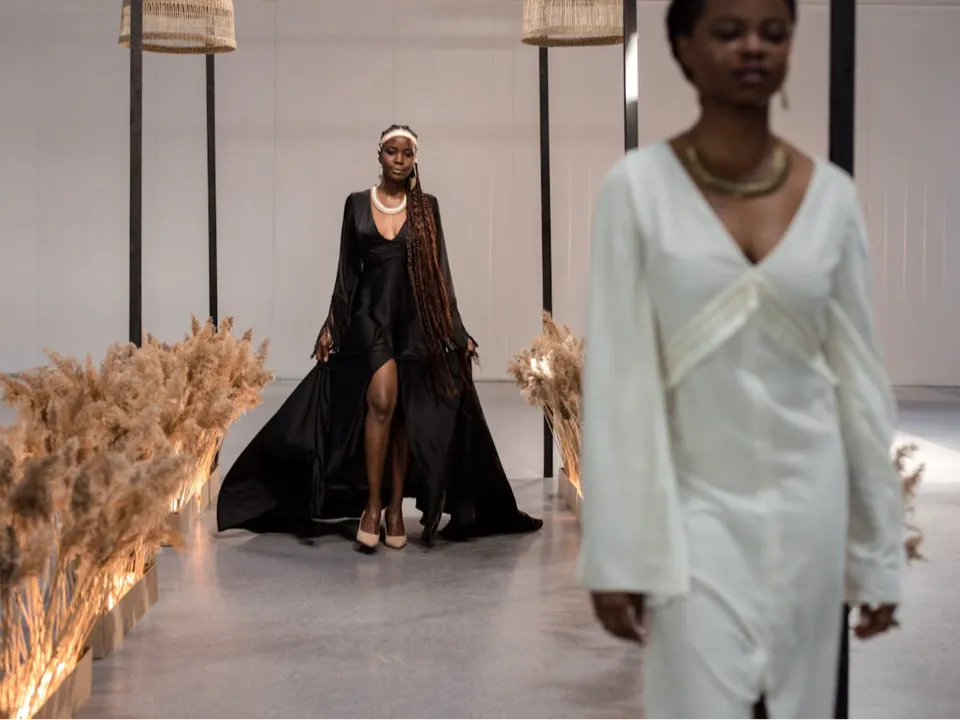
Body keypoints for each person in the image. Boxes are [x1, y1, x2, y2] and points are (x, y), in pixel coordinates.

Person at [577, 0, 903, 718]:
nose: (753, 47)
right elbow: (620, 382)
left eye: (773, 33)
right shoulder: (637, 190)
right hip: (694, 508)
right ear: (684, 48)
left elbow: (860, 381)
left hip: (811, 510)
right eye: (728, 32)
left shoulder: (833, 198)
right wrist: (617, 552)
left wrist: (878, 549)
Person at [217, 124, 542, 552]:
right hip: (369, 318)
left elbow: (440, 273)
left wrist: (457, 330)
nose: (399, 160)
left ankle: (394, 509)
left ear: (414, 159)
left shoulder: (426, 208)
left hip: (414, 321)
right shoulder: (356, 204)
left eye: (407, 154)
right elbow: (346, 272)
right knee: (382, 400)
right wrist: (332, 325)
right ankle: (371, 505)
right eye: (392, 152)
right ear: (380, 154)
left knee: (405, 412)